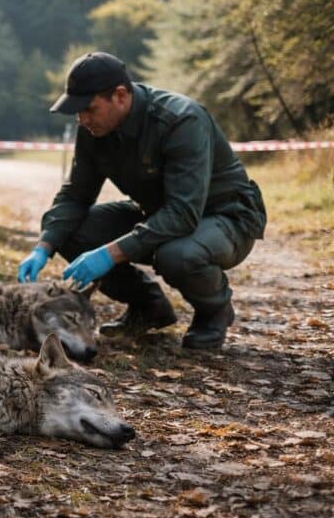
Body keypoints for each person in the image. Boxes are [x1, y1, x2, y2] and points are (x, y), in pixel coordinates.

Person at [17, 52, 267, 350]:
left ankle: (214, 311)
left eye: (89, 109)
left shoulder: (181, 119)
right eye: (77, 112)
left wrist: (108, 254)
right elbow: (76, 194)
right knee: (70, 232)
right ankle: (148, 307)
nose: (82, 119)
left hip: (226, 218)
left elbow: (183, 214)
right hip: (161, 213)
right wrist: (43, 247)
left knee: (177, 254)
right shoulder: (95, 129)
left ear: (120, 96)